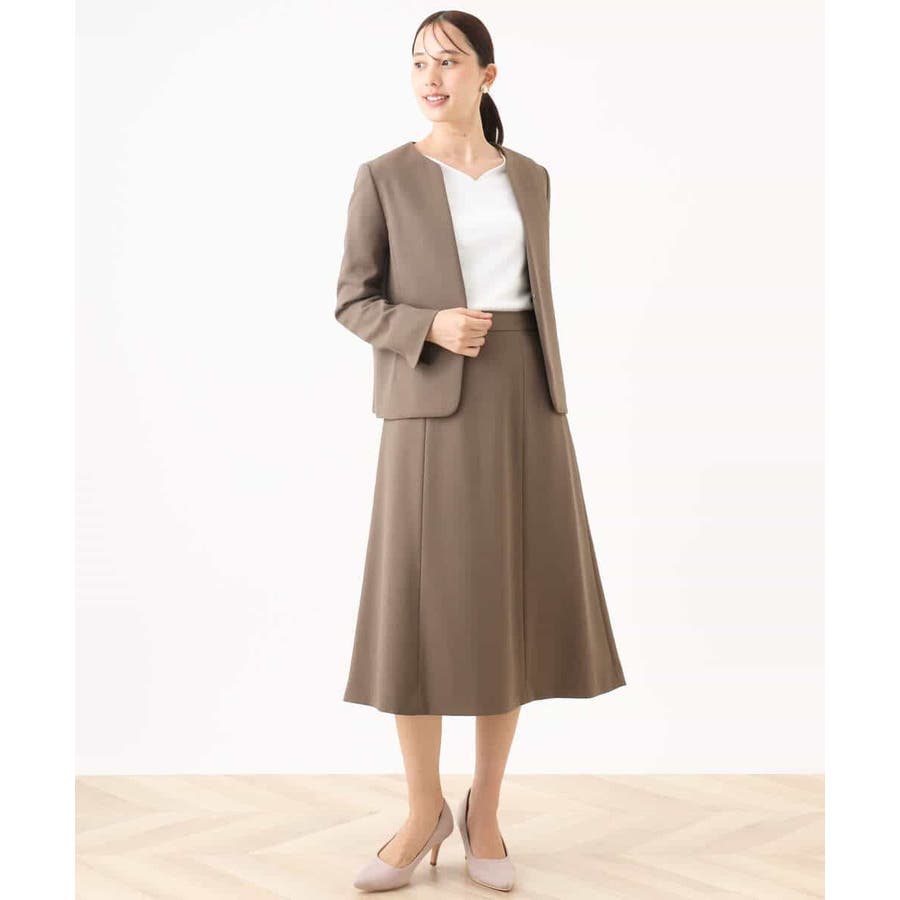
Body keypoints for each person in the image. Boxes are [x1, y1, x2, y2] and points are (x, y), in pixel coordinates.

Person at [334, 11, 626, 893]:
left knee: (510, 608)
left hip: (524, 403)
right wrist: (428, 326)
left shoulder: (529, 178)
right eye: (419, 63)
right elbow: (353, 300)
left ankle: (485, 812)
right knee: (419, 612)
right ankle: (421, 811)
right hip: (429, 402)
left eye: (449, 62)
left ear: (486, 76)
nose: (431, 77)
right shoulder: (384, 177)